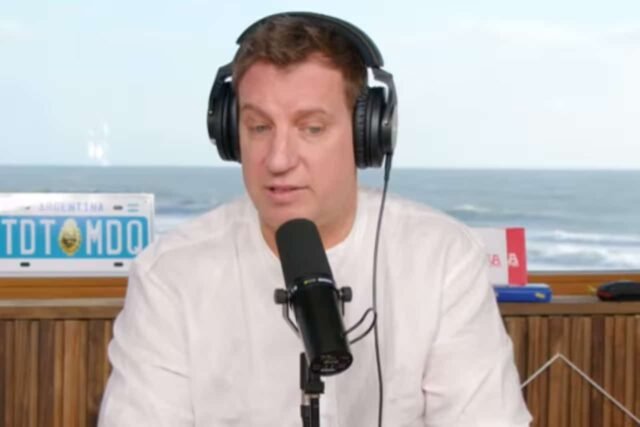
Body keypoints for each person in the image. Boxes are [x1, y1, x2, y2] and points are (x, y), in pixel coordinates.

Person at [98, 12, 532, 427]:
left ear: (367, 134)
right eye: (259, 127)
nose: (278, 160)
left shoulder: (443, 259)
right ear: (231, 133)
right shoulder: (170, 274)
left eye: (312, 128)